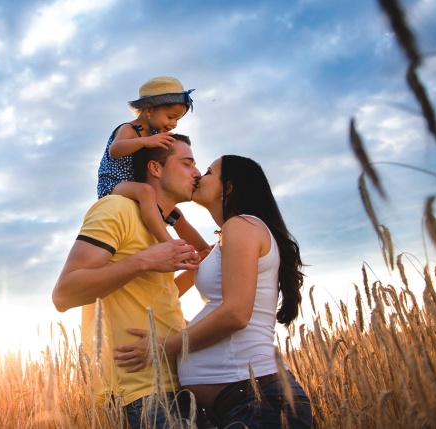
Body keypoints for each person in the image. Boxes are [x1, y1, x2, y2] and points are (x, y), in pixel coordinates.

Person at [114, 155, 314, 428]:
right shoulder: (232, 235)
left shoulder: (241, 226)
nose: (198, 175)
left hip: (257, 401)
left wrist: (165, 346)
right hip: (243, 402)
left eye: (208, 171)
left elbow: (235, 314)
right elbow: (185, 283)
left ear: (228, 187)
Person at [53, 135, 204, 428]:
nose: (197, 173)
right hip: (142, 393)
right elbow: (64, 294)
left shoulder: (160, 226)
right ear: (155, 169)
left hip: (184, 381)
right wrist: (145, 260)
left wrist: (195, 272)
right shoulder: (117, 208)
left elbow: (154, 293)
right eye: (187, 164)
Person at [97, 76, 208, 253]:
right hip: (114, 185)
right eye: (170, 117)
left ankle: (206, 251)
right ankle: (167, 243)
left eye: (177, 119)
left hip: (137, 186)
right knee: (146, 191)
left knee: (176, 214)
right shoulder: (130, 129)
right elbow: (115, 150)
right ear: (148, 110)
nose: (173, 124)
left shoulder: (155, 133)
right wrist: (145, 142)